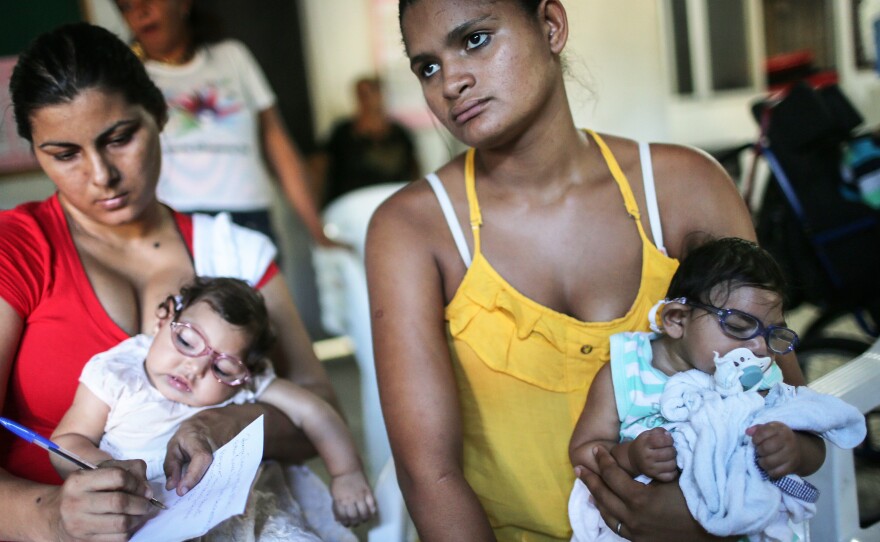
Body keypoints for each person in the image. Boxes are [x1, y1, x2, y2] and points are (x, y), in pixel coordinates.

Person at [364, 1, 801, 540]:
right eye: (427, 66)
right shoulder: (411, 229)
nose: (450, 82)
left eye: (475, 40)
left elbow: (784, 398)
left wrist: (700, 524)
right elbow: (429, 474)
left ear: (551, 26)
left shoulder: (682, 188)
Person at [0, 22, 337, 541]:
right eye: (64, 154)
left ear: (158, 113)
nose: (101, 175)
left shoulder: (234, 253)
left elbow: (321, 410)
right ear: (35, 149)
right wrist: (50, 515)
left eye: (119, 139)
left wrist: (225, 425)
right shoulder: (17, 249)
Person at [568, 238, 865, 541]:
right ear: (676, 320)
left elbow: (815, 447)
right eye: (738, 327)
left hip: (746, 523)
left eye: (772, 333)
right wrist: (632, 457)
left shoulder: (762, 379)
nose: (759, 347)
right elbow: (584, 451)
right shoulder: (628, 372)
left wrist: (792, 449)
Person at [51, 277, 377, 534]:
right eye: (186, 342)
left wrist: (346, 473)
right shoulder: (120, 373)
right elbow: (67, 441)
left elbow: (314, 411)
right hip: (140, 520)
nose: (193, 368)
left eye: (221, 368)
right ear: (163, 320)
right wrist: (102, 467)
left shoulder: (242, 385)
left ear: (244, 373)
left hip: (237, 519)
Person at [113, 0, 336, 246]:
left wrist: (317, 229)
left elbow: (278, 143)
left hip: (250, 221)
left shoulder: (232, 57)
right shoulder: (125, 77)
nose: (140, 12)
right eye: (126, 7)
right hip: (176, 225)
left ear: (183, 4)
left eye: (148, 0)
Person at [313, 76, 421, 207]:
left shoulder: (400, 133)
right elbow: (320, 169)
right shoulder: (341, 133)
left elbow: (414, 169)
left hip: (394, 203)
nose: (368, 99)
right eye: (363, 94)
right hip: (350, 205)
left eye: (373, 92)